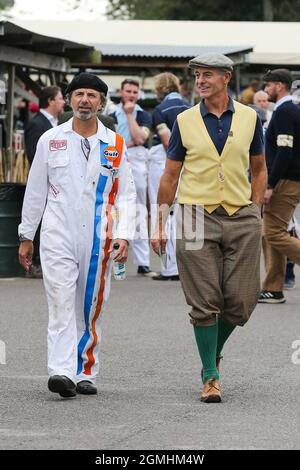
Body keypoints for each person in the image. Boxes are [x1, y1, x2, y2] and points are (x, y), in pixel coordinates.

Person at [151, 53, 266, 403]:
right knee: (204, 302)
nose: (200, 80)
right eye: (197, 75)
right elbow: (170, 175)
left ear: (226, 77)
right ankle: (211, 375)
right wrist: (159, 223)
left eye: (207, 75)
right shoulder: (184, 120)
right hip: (194, 215)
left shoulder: (250, 117)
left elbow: (259, 169)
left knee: (242, 301)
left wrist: (256, 210)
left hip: (241, 214)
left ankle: (211, 352)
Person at [18, 73, 136, 398]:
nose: (85, 100)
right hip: (58, 233)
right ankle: (61, 370)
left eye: (92, 95)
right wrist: (27, 234)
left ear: (101, 102)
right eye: (79, 94)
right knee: (59, 300)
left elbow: (126, 192)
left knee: (91, 305)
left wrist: (124, 234)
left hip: (99, 234)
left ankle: (86, 370)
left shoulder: (115, 143)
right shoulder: (50, 139)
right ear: (69, 100)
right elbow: (36, 190)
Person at [259, 68, 300, 304]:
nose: (266, 89)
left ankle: (274, 286)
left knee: (272, 232)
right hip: (288, 178)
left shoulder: (285, 111)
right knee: (271, 234)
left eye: (268, 85)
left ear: (279, 86)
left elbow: (284, 151)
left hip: (285, 180)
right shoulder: (289, 109)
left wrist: (271, 184)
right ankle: (273, 288)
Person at [110, 79, 156, 277]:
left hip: (136, 162)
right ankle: (112, 257)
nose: (131, 94)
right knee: (113, 211)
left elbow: (140, 138)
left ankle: (143, 262)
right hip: (116, 161)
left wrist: (130, 115)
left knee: (138, 210)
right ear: (121, 92)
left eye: (135, 92)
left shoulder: (143, 115)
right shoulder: (111, 116)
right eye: (128, 91)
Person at [149, 72, 190, 280]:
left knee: (164, 211)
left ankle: (170, 267)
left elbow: (166, 140)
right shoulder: (190, 107)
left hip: (165, 160)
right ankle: (180, 265)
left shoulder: (161, 110)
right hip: (187, 160)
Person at [24, 86, 65, 278]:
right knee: (40, 221)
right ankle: (37, 263)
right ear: (50, 101)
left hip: (56, 184)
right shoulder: (37, 124)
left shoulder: (55, 123)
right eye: (60, 98)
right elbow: (35, 156)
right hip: (45, 182)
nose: (63, 102)